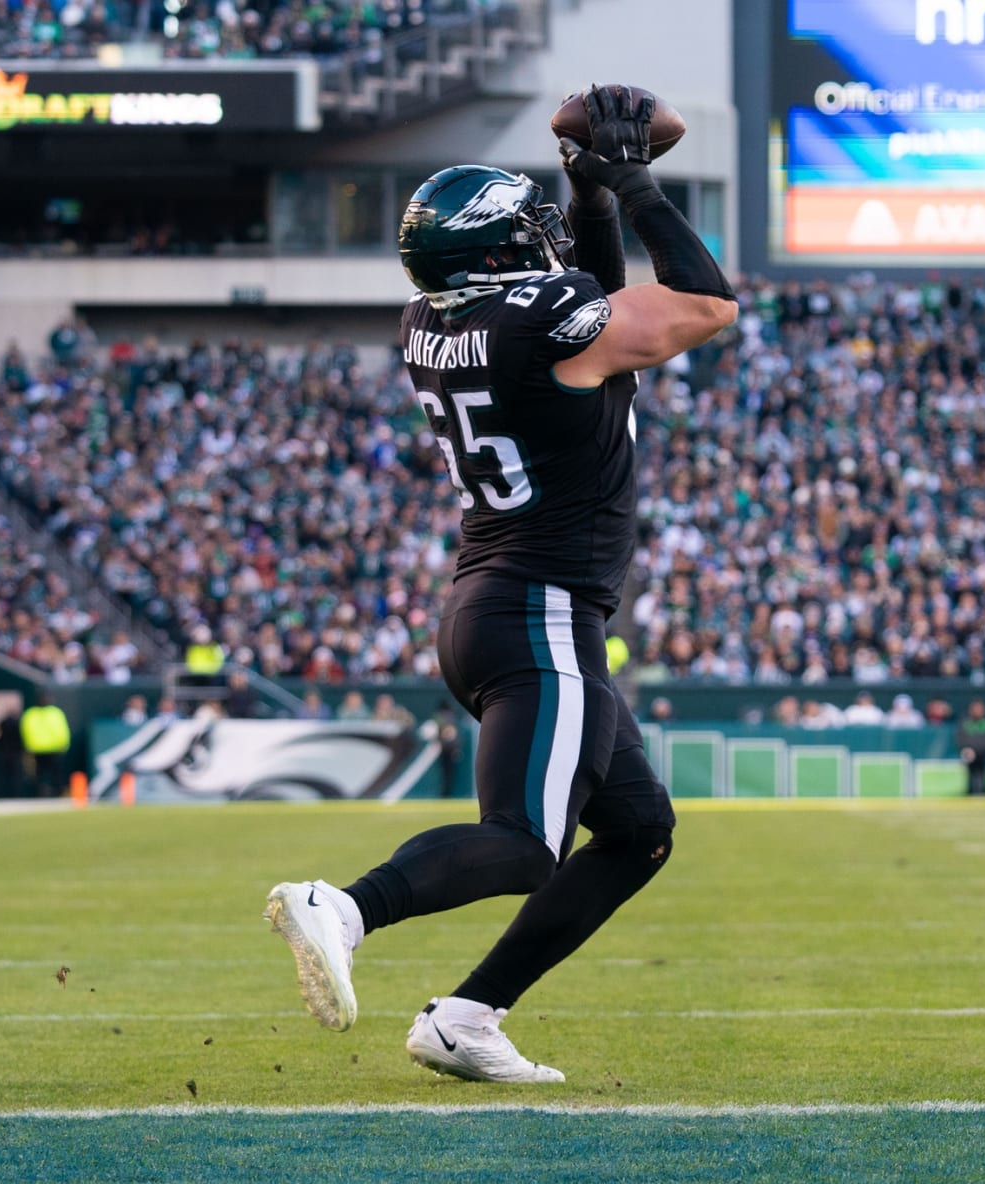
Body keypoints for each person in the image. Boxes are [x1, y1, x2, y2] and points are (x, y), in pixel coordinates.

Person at [264, 85, 736, 1084]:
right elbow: (703, 305)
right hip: (542, 613)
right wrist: (635, 187)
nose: (550, 243)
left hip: (496, 604)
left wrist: (593, 205)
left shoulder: (433, 319)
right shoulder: (542, 321)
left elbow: (584, 312)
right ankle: (343, 907)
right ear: (496, 254)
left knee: (638, 831)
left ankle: (468, 1018)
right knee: (524, 845)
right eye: (532, 233)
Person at [20, 692, 72, 798]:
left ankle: (51, 792)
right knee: (46, 774)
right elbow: (62, 731)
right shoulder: (53, 713)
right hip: (48, 749)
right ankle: (47, 793)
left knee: (49, 774)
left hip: (45, 749)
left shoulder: (31, 714)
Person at [955, 699, 985, 796]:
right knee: (970, 777)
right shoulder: (965, 721)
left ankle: (984, 792)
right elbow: (960, 738)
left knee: (983, 776)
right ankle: (970, 793)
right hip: (968, 755)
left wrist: (981, 751)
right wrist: (967, 750)